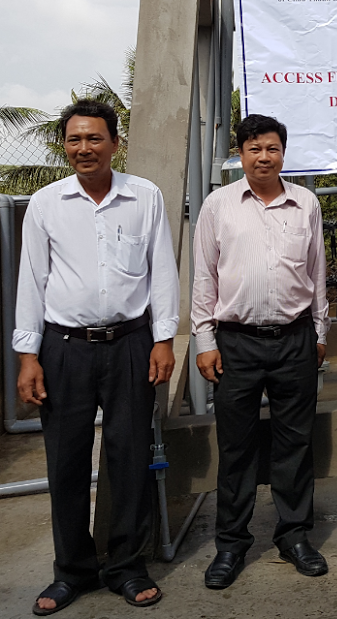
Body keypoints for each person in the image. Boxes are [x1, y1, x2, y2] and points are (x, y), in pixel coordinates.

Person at [14, 99, 179, 615]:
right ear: (65, 146)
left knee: (129, 457)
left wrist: (164, 339)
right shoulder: (45, 203)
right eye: (74, 140)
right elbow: (31, 282)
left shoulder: (144, 197)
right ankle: (72, 571)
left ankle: (127, 566)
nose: (83, 149)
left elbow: (163, 273)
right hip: (64, 350)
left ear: (115, 142)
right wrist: (28, 355)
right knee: (64, 462)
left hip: (131, 344)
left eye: (94, 138)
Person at [192, 114, 330, 588]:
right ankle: (231, 544)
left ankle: (294, 536)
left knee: (296, 444)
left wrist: (319, 332)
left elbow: (317, 274)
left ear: (283, 153)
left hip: (294, 340)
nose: (263, 157)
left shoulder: (305, 203)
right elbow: (204, 277)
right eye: (254, 149)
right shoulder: (219, 206)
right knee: (236, 448)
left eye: (271, 148)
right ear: (241, 154)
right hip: (237, 344)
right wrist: (204, 340)